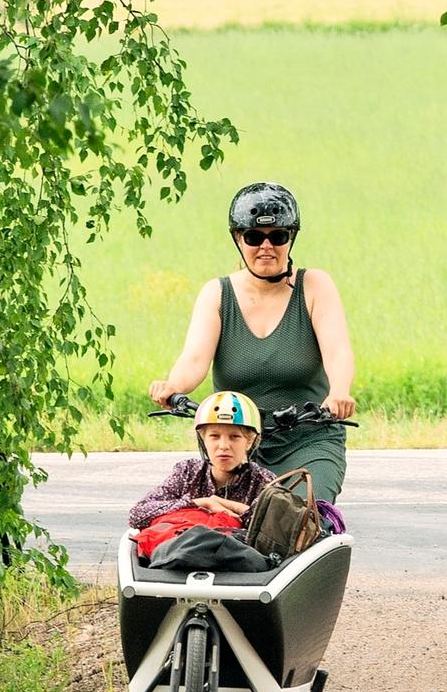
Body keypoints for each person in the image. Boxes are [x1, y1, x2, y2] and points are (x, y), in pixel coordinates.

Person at [149, 182, 357, 503]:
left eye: (278, 236)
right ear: (237, 238)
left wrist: (339, 393)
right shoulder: (217, 294)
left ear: (291, 238)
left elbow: (338, 351)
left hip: (308, 438)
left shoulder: (314, 286)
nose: (266, 247)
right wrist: (171, 386)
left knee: (302, 515)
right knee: (215, 518)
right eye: (254, 237)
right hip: (237, 441)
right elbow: (194, 360)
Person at [127, 392, 277, 533]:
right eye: (214, 436)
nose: (223, 446)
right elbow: (138, 515)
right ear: (203, 439)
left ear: (249, 441)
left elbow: (279, 527)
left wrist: (222, 504)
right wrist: (201, 503)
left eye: (234, 437)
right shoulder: (187, 472)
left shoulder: (264, 481)